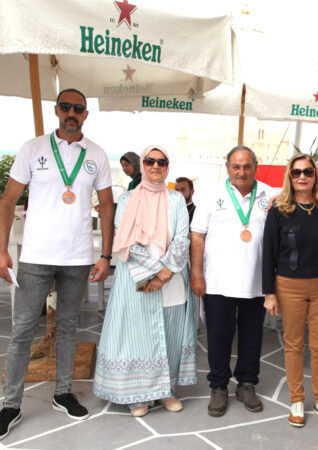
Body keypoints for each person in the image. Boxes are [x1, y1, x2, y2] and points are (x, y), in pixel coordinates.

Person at [0, 88, 114, 440]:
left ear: (85, 115)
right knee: (22, 330)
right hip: (35, 255)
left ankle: (63, 392)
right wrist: (2, 249)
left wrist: (106, 255)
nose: (71, 113)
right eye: (66, 107)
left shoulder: (96, 154)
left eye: (78, 108)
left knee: (68, 327)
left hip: (77, 258)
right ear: (56, 110)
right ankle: (10, 404)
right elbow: (8, 200)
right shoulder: (33, 148)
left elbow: (106, 207)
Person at [93, 146, 197, 417]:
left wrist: (165, 273)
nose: (155, 166)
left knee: (170, 332)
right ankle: (138, 394)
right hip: (136, 277)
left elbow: (182, 238)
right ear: (143, 165)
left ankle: (166, 391)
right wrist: (154, 271)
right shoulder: (127, 199)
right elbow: (125, 240)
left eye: (162, 161)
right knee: (137, 335)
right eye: (150, 161)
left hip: (171, 278)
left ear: (167, 166)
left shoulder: (176, 199)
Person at [262, 153, 318, 427]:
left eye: (308, 172)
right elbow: (268, 253)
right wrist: (269, 293)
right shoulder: (279, 210)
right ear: (290, 176)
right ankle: (297, 400)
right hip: (289, 286)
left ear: (316, 176)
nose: (302, 177)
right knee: (294, 344)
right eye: (296, 172)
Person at [191, 146, 275, 417]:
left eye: (247, 166)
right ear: (227, 167)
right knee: (218, 336)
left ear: (255, 167)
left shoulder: (269, 195)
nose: (241, 172)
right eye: (236, 166)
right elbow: (197, 236)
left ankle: (247, 384)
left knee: (252, 336)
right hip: (218, 281)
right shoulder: (211, 194)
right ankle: (218, 386)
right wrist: (196, 273)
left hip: (256, 282)